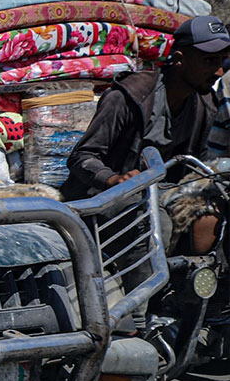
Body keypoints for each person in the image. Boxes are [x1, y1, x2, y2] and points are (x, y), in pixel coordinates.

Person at [64, 14, 230, 253]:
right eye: (209, 61)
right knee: (155, 224)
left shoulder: (205, 104)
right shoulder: (128, 97)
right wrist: (113, 180)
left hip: (159, 196)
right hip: (102, 200)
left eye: (222, 61)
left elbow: (195, 166)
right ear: (180, 59)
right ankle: (148, 290)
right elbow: (81, 157)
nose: (217, 71)